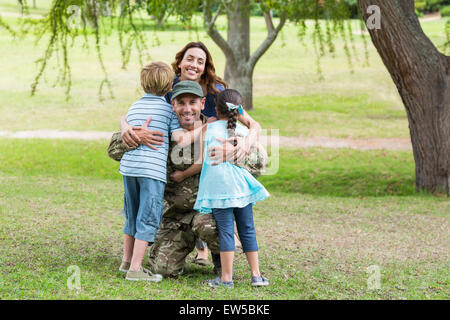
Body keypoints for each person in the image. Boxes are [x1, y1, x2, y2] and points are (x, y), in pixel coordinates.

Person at [118, 42, 263, 270]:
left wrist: (235, 152)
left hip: (207, 212)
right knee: (163, 269)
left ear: (203, 104)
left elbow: (260, 159)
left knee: (213, 227)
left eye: (193, 103)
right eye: (181, 103)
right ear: (172, 104)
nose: (187, 109)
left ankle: (221, 262)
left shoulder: (218, 131)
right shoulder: (159, 127)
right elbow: (114, 148)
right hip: (176, 215)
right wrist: (129, 130)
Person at [119, 63, 204, 282]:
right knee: (147, 218)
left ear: (142, 83)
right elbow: (182, 139)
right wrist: (204, 128)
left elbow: (124, 123)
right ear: (169, 87)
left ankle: (126, 262)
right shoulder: (167, 110)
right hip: (151, 172)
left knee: (132, 215)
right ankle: (135, 270)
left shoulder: (134, 106)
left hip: (128, 169)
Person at [194, 89, 270, 288]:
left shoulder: (208, 129)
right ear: (239, 111)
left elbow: (200, 158)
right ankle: (257, 276)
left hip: (219, 189)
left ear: (217, 111)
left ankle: (227, 278)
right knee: (247, 229)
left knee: (227, 231)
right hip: (241, 188)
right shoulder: (244, 132)